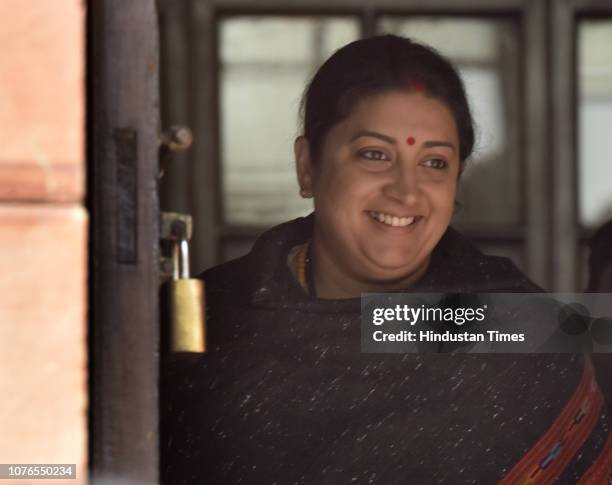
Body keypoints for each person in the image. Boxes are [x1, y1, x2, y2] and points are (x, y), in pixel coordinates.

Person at [162, 35, 611, 484]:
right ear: (307, 166)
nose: (406, 191)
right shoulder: (212, 320)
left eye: (434, 162)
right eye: (374, 155)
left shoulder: (520, 330)